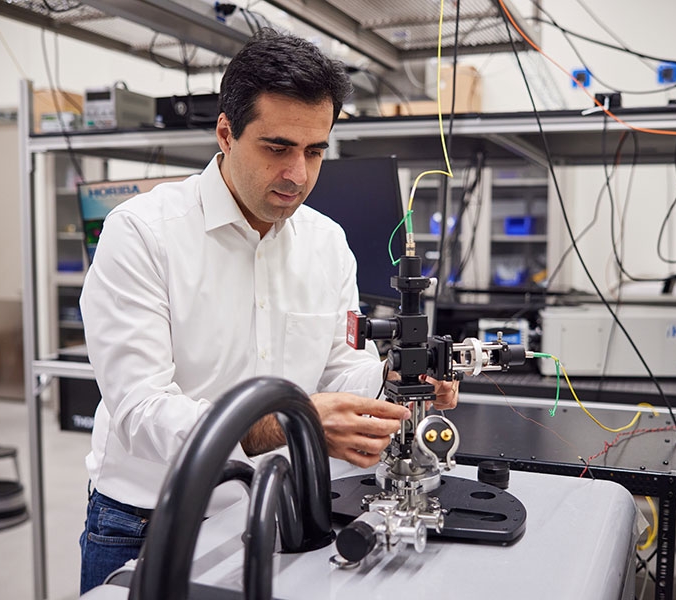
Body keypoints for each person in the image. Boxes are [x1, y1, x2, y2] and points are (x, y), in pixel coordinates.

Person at [78, 27, 457, 594]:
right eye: (277, 148)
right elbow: (140, 410)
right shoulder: (141, 234)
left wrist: (394, 380)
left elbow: (337, 364)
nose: (298, 175)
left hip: (278, 508)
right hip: (147, 522)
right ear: (226, 134)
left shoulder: (327, 242)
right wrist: (294, 422)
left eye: (315, 150)